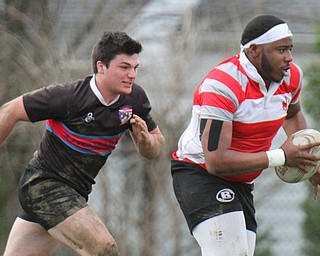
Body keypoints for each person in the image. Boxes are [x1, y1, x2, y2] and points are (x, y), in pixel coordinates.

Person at [1, 31, 165, 256]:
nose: (132, 75)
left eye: (135, 68)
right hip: (43, 185)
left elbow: (155, 147)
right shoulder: (69, 97)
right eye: (124, 67)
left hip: (75, 194)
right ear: (101, 66)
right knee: (103, 249)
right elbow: (10, 111)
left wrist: (145, 141)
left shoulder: (134, 99)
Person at [171, 14, 320, 256]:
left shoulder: (290, 77)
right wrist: (282, 156)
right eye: (281, 50)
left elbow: (292, 114)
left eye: (290, 49)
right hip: (199, 172)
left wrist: (308, 161)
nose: (289, 58)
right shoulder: (223, 85)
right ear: (254, 51)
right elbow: (216, 161)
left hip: (241, 180)